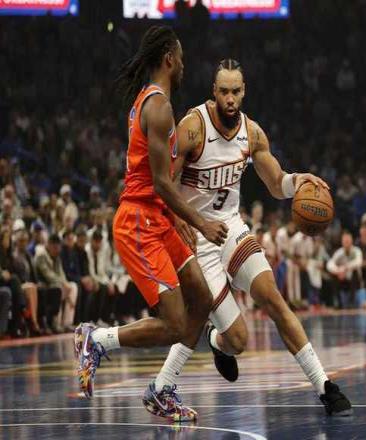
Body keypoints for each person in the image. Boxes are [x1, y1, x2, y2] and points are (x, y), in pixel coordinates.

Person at [167, 59, 352, 416]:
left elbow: (277, 183)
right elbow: (165, 181)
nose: (230, 98)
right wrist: (179, 220)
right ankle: (217, 341)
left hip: (231, 228)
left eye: (235, 91)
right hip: (199, 238)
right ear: (214, 92)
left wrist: (299, 181)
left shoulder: (252, 134)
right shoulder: (193, 127)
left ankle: (325, 387)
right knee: (238, 340)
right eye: (224, 91)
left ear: (244, 92)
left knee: (274, 299)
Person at [74, 26, 227, 422]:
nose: (185, 65)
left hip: (158, 217)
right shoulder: (158, 107)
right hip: (139, 223)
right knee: (175, 323)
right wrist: (200, 222)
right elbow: (160, 182)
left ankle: (161, 389)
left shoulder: (153, 102)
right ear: (169, 59)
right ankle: (97, 339)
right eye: (182, 57)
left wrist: (175, 216)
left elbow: (160, 181)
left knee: (202, 299)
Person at [35, 234, 78, 333]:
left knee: (73, 286)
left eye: (59, 248)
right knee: (59, 288)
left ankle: (67, 323)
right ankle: (55, 323)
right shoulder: (41, 255)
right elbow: (48, 275)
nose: (57, 251)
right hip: (44, 284)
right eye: (55, 248)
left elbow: (61, 273)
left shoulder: (56, 256)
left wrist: (66, 284)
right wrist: (63, 284)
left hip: (55, 284)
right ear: (49, 245)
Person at [326, 231, 363, 308]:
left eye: (348, 241)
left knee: (355, 271)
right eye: (345, 241)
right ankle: (338, 302)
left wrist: (345, 268)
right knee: (332, 275)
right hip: (342, 280)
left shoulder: (357, 250)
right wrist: (338, 271)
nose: (346, 243)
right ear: (342, 242)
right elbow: (329, 264)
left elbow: (359, 262)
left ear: (351, 241)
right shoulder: (339, 252)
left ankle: (351, 302)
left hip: (355, 281)